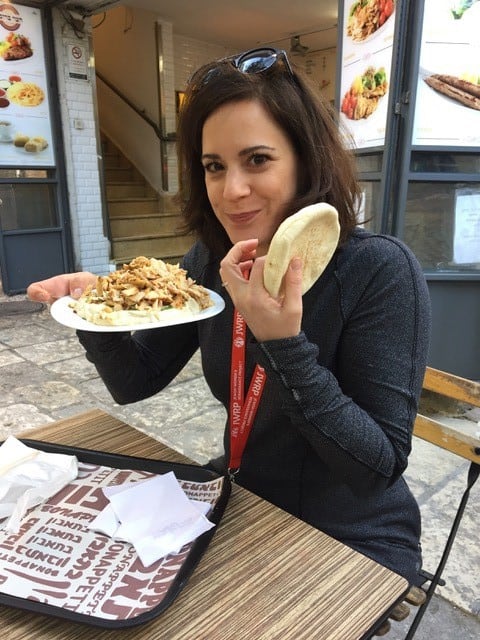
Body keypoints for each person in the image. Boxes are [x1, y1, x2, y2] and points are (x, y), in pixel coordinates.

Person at [28, 47, 431, 587]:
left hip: (351, 538)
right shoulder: (210, 260)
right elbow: (134, 382)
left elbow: (376, 470)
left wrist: (284, 346)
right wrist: (96, 314)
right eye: (214, 167)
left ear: (306, 161)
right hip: (242, 501)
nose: (231, 190)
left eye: (257, 160)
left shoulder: (378, 270)